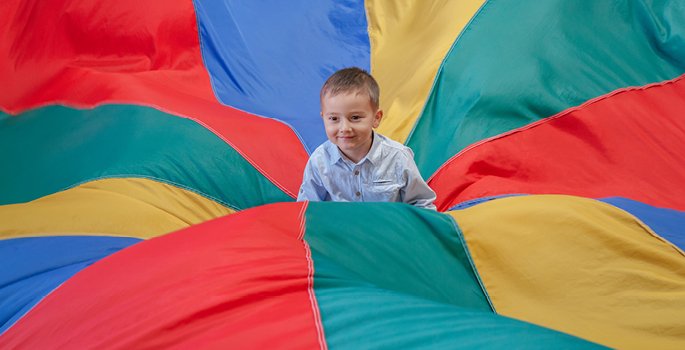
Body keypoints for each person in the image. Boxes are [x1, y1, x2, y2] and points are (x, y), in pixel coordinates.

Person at [297, 67, 436, 210]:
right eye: (334, 118)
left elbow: (422, 204)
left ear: (376, 118)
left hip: (387, 229)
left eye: (355, 118)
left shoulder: (398, 158)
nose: (344, 128)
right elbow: (305, 210)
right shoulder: (320, 161)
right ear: (323, 118)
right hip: (339, 231)